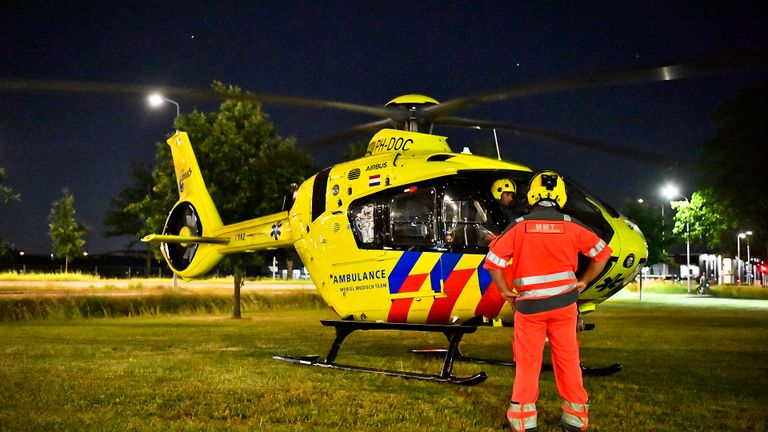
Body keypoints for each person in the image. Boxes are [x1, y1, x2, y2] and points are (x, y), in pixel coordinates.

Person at [483, 171, 612, 432]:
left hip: (530, 309)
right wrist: (584, 281)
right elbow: (603, 253)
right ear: (560, 196)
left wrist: (505, 291)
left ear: (532, 195)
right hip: (564, 307)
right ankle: (576, 418)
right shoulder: (572, 225)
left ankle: (522, 421)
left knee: (528, 363)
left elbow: (494, 261)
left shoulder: (519, 226)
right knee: (568, 361)